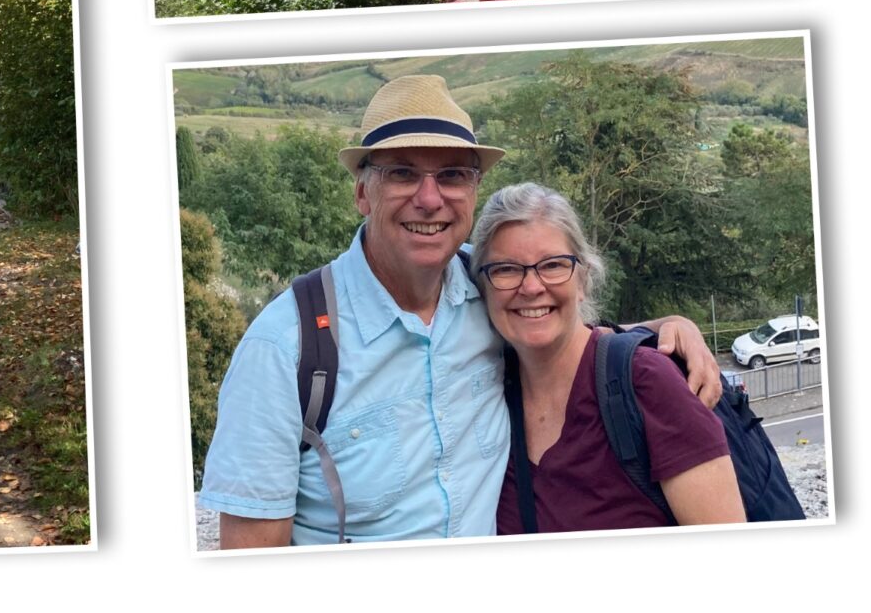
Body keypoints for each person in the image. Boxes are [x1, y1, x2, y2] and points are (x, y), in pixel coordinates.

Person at [197, 75, 721, 547]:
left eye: (451, 175)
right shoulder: (284, 348)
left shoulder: (491, 283)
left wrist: (662, 330)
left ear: (473, 191)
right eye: (402, 174)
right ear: (362, 192)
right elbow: (252, 566)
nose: (430, 199)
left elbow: (557, 324)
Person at [469, 183, 744, 532]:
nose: (532, 287)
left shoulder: (647, 383)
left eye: (553, 265)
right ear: (482, 287)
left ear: (582, 279)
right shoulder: (487, 393)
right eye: (506, 269)